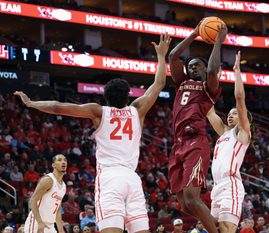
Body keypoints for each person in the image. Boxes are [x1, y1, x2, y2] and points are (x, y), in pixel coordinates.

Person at [15, 34, 172, 233]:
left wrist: (31, 103)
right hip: (132, 178)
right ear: (127, 96)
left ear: (105, 97)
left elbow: (57, 107)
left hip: (109, 178)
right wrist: (161, 56)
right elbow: (158, 85)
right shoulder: (137, 110)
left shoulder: (99, 111)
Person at [168, 20, 227, 233]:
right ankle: (215, 225)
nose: (192, 67)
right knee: (184, 204)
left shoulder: (209, 88)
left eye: (196, 65)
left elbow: (213, 71)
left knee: (193, 199)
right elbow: (173, 57)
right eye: (190, 65)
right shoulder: (181, 82)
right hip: (178, 144)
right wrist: (194, 33)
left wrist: (218, 41)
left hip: (195, 142)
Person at [207, 52, 253, 233]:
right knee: (215, 229)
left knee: (227, 229)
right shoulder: (224, 132)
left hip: (231, 184)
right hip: (217, 186)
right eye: (230, 113)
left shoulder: (242, 134)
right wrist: (212, 81)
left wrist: (236, 72)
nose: (230, 115)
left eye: (235, 113)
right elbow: (210, 112)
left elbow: (240, 99)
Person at [23, 154, 67, 233]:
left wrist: (61, 229)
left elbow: (57, 209)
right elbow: (32, 201)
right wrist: (39, 222)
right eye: (59, 160)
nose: (63, 162)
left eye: (65, 160)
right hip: (37, 223)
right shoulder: (48, 180)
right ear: (53, 165)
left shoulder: (63, 186)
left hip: (50, 225)